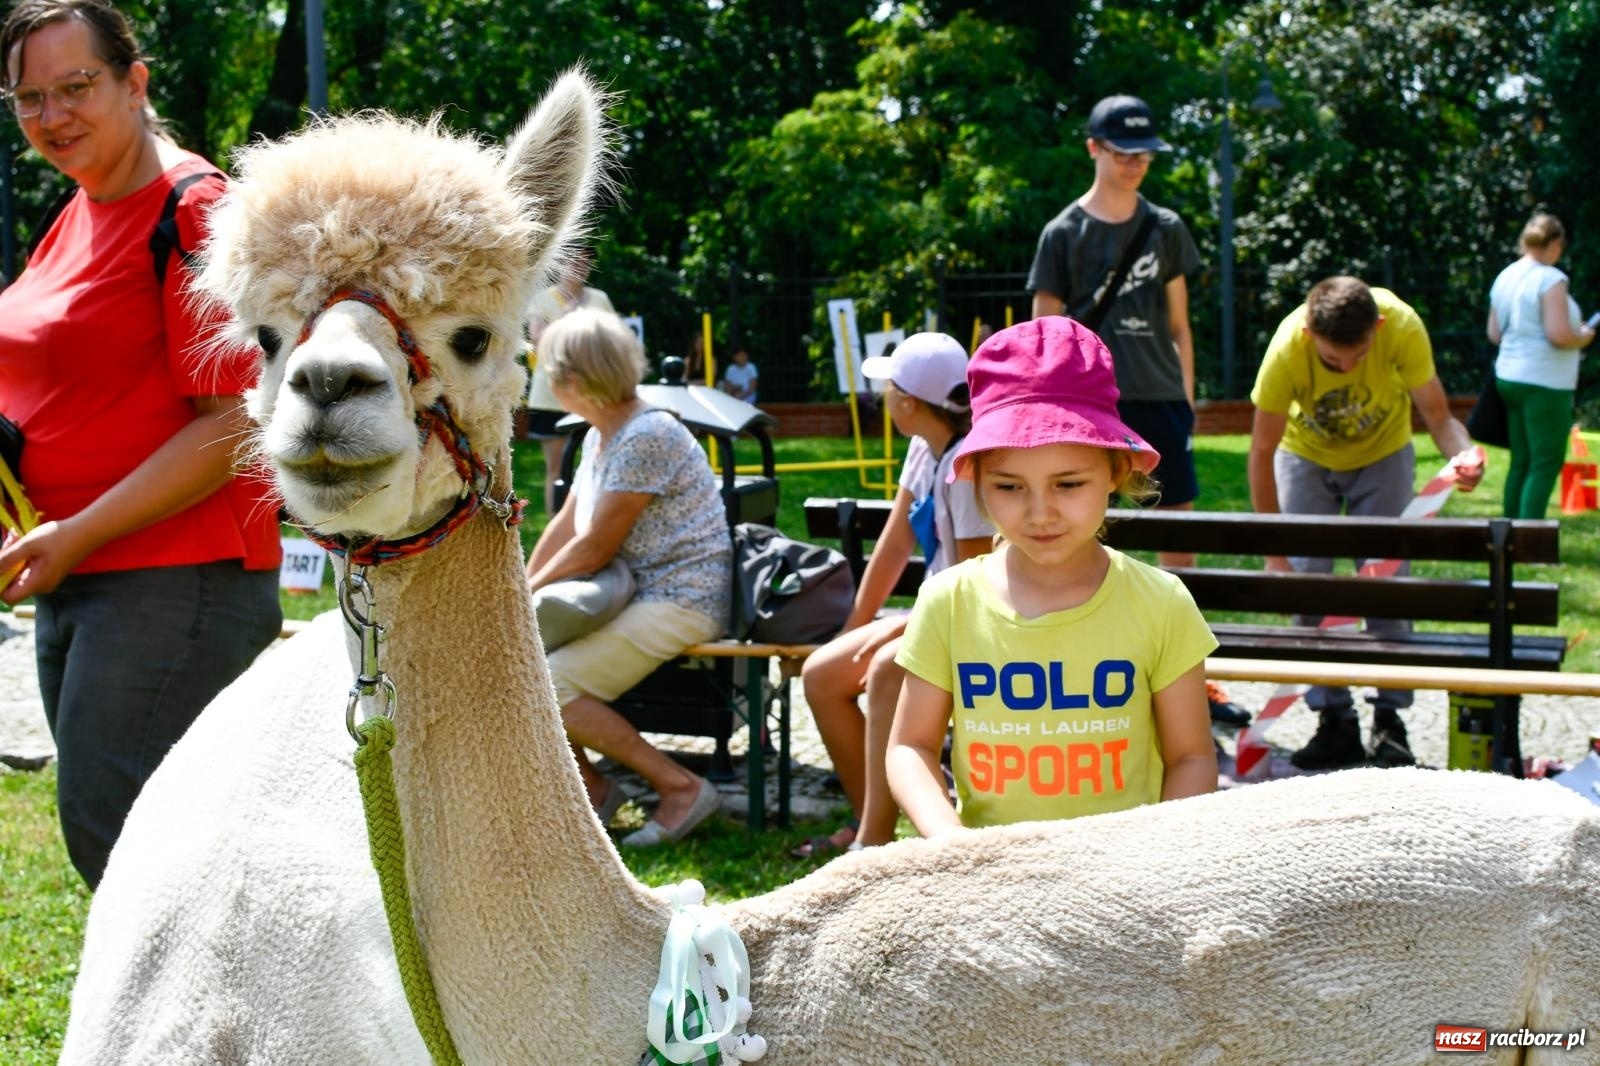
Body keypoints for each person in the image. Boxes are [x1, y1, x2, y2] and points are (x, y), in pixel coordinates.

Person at [0, 0, 281, 888]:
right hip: (77, 571)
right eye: (27, 98)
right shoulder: (79, 208)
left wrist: (77, 530)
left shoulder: (193, 210)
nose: (53, 117)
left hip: (175, 575)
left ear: (135, 82)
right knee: (116, 831)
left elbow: (237, 423)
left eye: (75, 87)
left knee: (116, 824)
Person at [886, 318, 1217, 836]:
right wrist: (953, 845)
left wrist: (1160, 855)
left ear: (1115, 471)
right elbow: (910, 746)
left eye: (1067, 483)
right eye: (1010, 486)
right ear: (975, 480)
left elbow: (1192, 757)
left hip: (1127, 875)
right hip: (995, 875)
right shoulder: (947, 601)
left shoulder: (1163, 601)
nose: (1040, 513)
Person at [1027, 93, 1248, 730]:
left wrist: (1186, 398)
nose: (1135, 164)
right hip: (1088, 404)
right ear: (1094, 148)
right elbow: (1046, 330)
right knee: (1083, 525)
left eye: (1145, 154)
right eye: (1123, 153)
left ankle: (1190, 676)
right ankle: (1087, 661)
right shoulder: (1063, 232)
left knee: (1178, 531)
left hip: (1158, 397)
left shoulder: (1167, 225)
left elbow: (1180, 324)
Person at [1248, 276, 1486, 771]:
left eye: (1358, 354)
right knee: (1309, 583)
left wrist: (1462, 456)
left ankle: (1389, 721)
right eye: (1335, 360)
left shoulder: (1401, 325)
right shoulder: (1287, 348)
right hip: (1305, 456)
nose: (1348, 367)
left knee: (1387, 588)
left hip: (1383, 453)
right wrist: (1276, 550)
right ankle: (1333, 719)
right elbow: (1262, 450)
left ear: (1377, 326)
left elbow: (1440, 418)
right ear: (1311, 333)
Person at [524, 308, 731, 847]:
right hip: (634, 593)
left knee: (549, 681)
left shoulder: (646, 435)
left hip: (683, 599)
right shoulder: (601, 434)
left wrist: (527, 593)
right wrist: (522, 585)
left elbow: (594, 547)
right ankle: (594, 790)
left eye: (547, 371)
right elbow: (568, 523)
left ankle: (681, 787)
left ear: (572, 380)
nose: (542, 381)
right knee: (529, 672)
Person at [796, 332, 993, 858]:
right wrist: (856, 624)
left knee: (885, 671)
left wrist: (902, 630)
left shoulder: (967, 466)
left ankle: (873, 845)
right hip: (936, 608)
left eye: (888, 390)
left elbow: (975, 578)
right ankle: (868, 814)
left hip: (965, 615)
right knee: (821, 673)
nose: (882, 399)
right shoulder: (922, 448)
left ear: (907, 403)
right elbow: (895, 540)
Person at [1487, 212, 1596, 518]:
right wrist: (1584, 336)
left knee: (1521, 460)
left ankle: (1507, 535)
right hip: (1544, 381)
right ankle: (1531, 541)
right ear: (1556, 244)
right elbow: (1559, 334)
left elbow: (1493, 333)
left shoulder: (1505, 275)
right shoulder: (1551, 279)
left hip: (1508, 376)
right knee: (1546, 462)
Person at [525, 246, 615, 514]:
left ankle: (591, 523)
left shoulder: (600, 299)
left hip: (593, 395)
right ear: (560, 265)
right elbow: (536, 339)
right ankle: (557, 526)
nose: (580, 266)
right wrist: (567, 314)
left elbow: (614, 341)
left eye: (586, 261)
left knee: (597, 464)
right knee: (556, 468)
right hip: (550, 396)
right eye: (574, 261)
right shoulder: (542, 299)